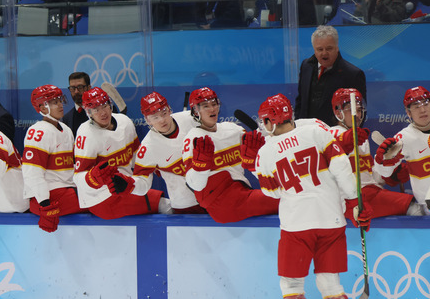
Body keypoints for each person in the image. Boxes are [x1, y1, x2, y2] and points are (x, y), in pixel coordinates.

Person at [254, 93, 372, 299]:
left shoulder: (265, 152)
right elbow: (343, 168)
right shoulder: (318, 132)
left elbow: (270, 191)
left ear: (272, 119)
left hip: (296, 225)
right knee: (331, 284)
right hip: (331, 220)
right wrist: (355, 203)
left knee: (291, 285)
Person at [182, 87, 279, 223]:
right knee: (284, 199)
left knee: (284, 195)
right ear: (195, 111)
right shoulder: (193, 139)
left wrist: (263, 135)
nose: (212, 109)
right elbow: (195, 185)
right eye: (205, 106)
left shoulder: (232, 129)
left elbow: (261, 142)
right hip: (221, 204)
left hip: (241, 194)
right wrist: (200, 168)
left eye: (214, 104)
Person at [325, 88, 422, 218]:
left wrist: (391, 175)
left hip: (370, 194)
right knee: (415, 209)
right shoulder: (330, 134)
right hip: (349, 200)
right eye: (352, 110)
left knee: (415, 206)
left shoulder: (361, 138)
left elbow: (371, 177)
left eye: (359, 110)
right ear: (338, 112)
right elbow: (328, 158)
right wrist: (345, 142)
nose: (357, 115)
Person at [73, 87, 168, 219]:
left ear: (110, 105)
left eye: (104, 106)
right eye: (96, 109)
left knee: (167, 203)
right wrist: (93, 178)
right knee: (164, 205)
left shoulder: (125, 122)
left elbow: (137, 156)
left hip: (125, 187)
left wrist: (153, 165)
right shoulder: (86, 134)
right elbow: (78, 178)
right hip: (101, 199)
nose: (102, 113)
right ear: (88, 112)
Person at [372, 86, 430, 215]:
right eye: (415, 106)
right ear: (408, 112)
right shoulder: (403, 139)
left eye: (426, 104)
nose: (422, 110)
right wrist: (385, 160)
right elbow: (384, 173)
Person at [22, 85, 88, 233]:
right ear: (42, 108)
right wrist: (45, 204)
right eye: (54, 102)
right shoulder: (37, 132)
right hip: (47, 197)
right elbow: (32, 172)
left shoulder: (66, 129)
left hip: (66, 192)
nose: (60, 105)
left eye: (59, 100)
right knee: (95, 197)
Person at [133, 92, 205, 214]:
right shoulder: (147, 147)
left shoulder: (191, 119)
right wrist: (129, 185)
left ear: (170, 109)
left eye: (164, 113)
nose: (162, 120)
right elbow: (142, 183)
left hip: (213, 193)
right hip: (186, 204)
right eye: (155, 117)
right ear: (147, 120)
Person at [296, 25, 366, 127]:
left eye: (329, 48)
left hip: (335, 137)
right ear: (314, 49)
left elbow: (359, 113)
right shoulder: (306, 66)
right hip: (306, 134)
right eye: (320, 49)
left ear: (337, 48)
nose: (324, 53)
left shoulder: (353, 74)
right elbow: (300, 102)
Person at [62, 72, 91, 137]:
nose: (76, 91)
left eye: (80, 87)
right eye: (72, 88)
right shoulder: (66, 118)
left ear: (89, 88)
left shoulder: (103, 111)